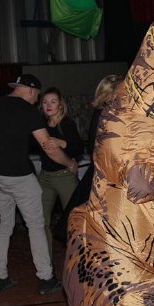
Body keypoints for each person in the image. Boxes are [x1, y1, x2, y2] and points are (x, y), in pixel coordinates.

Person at [0, 74, 75, 295]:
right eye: (37, 96)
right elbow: (48, 146)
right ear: (30, 90)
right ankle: (46, 278)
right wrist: (69, 163)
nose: (37, 100)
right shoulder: (29, 111)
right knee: (36, 226)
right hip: (20, 177)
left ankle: (0, 277)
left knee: (5, 224)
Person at [54, 74, 122, 244]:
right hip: (105, 173)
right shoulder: (105, 114)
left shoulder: (109, 113)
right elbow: (96, 147)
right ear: (110, 93)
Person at [38, 86, 82, 257]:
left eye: (53, 102)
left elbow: (78, 148)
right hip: (45, 177)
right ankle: (46, 264)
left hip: (64, 177)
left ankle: (77, 260)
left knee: (73, 220)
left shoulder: (67, 124)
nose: (48, 105)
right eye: (45, 102)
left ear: (60, 105)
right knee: (41, 221)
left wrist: (61, 143)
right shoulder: (40, 126)